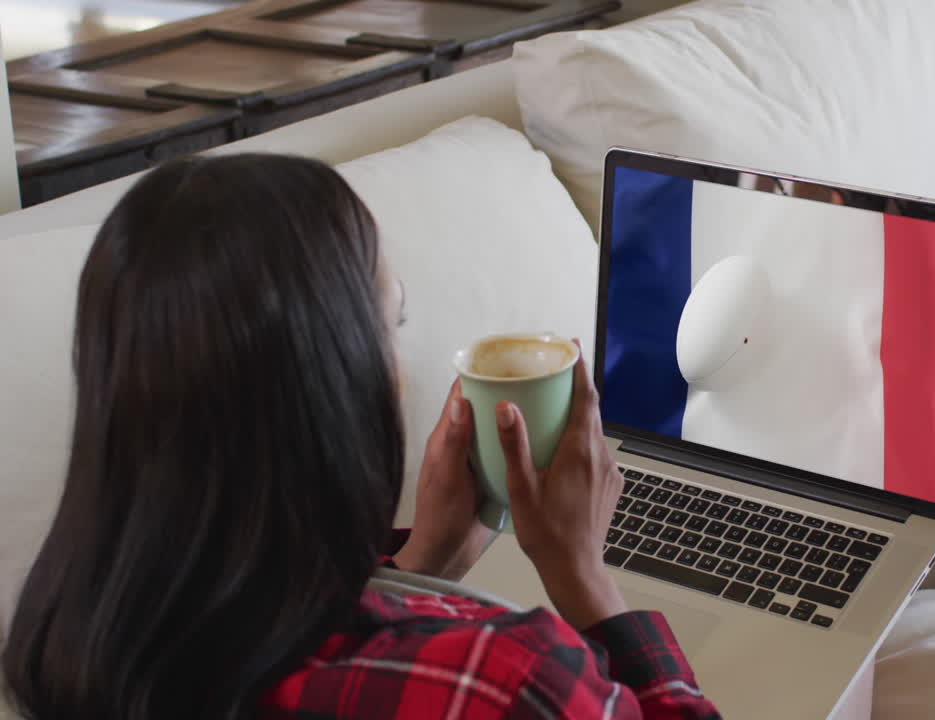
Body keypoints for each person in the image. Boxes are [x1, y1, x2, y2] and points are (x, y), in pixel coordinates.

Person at [1, 155, 721, 720]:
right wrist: (585, 577)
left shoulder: (61, 643)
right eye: (390, 325)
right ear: (336, 382)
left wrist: (419, 566)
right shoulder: (505, 679)